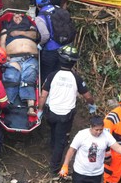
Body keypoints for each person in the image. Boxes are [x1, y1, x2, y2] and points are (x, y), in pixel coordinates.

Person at [40, 45, 96, 174]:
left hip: (51, 113)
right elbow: (87, 96)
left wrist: (39, 110)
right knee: (61, 141)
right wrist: (91, 104)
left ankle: (53, 149)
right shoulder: (76, 78)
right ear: (74, 62)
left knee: (54, 132)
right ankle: (54, 168)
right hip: (65, 116)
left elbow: (43, 95)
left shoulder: (52, 75)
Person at [0, 13, 40, 130]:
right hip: (13, 58)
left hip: (30, 57)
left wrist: (19, 33)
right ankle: (7, 106)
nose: (17, 17)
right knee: (11, 78)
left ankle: (31, 108)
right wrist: (4, 55)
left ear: (24, 19)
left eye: (20, 16)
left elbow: (35, 35)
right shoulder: (7, 29)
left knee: (28, 79)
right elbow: (2, 43)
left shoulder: (30, 27)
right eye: (14, 17)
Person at [33, 0, 62, 81]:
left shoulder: (39, 18)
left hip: (51, 50)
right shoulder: (57, 8)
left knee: (46, 74)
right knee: (58, 73)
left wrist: (40, 44)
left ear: (37, 6)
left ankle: (45, 93)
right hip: (63, 47)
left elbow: (45, 36)